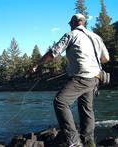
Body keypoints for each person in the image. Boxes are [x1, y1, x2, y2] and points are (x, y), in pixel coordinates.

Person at [31, 14, 109, 147]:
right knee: (86, 109)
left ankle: (74, 141)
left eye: (70, 23)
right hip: (95, 78)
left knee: (60, 102)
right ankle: (89, 141)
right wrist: (93, 67)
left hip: (81, 77)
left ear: (74, 23)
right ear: (83, 23)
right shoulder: (96, 37)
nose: (69, 25)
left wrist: (37, 64)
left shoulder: (71, 34)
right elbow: (106, 58)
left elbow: (53, 53)